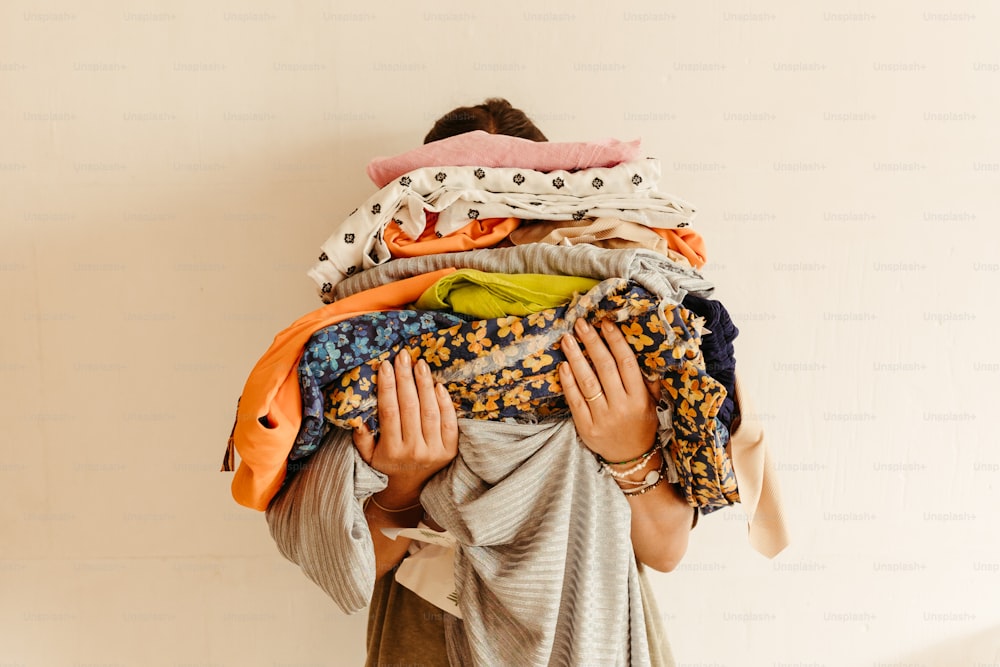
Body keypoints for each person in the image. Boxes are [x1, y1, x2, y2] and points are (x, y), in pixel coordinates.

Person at [353, 98, 697, 665]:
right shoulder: (374, 346)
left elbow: (666, 550)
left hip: (596, 633)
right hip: (425, 640)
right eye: (460, 213)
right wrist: (401, 489)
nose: (484, 240)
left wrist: (631, 451)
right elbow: (352, 566)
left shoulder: (625, 331)